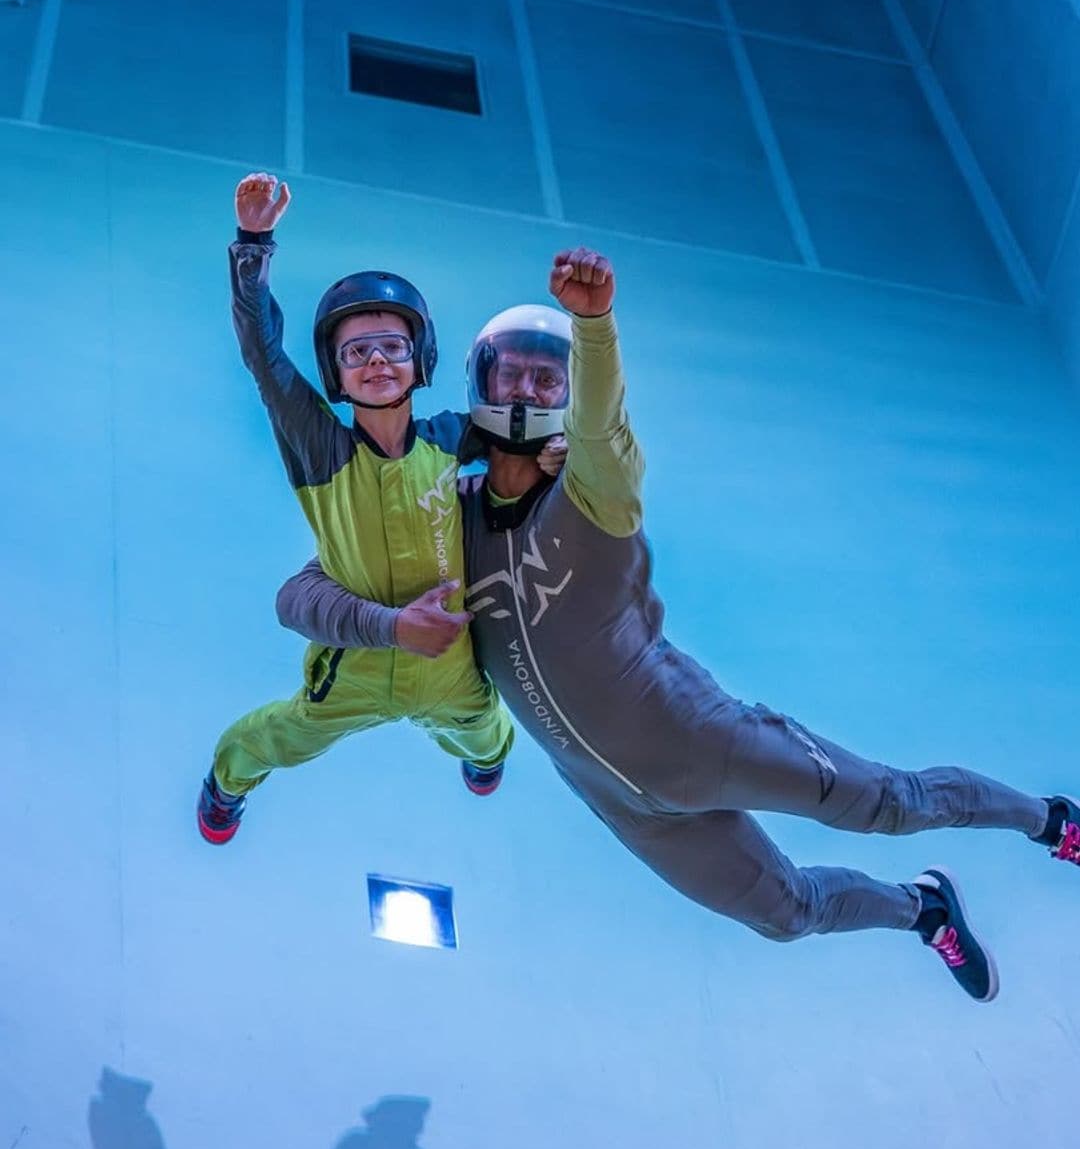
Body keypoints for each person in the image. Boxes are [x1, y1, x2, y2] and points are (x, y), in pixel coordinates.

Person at [275, 246, 1080, 1000]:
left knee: (890, 805)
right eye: (511, 373)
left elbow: (602, 428)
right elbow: (302, 593)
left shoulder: (597, 495)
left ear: (566, 397)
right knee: (787, 914)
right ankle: (925, 909)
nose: (525, 390)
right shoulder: (446, 520)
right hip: (623, 802)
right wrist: (383, 624)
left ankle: (1052, 821)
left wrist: (593, 328)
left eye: (547, 380)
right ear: (480, 382)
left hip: (705, 742)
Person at [196, 172, 530, 844]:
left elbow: (528, 430)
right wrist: (253, 242)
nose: (377, 360)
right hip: (358, 664)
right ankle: (225, 783)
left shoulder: (453, 437)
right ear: (336, 372)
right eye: (356, 352)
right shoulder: (321, 447)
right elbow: (263, 356)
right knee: (278, 736)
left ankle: (481, 760)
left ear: (420, 358)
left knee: (489, 732)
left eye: (392, 347)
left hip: (452, 662)